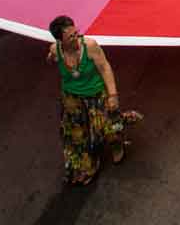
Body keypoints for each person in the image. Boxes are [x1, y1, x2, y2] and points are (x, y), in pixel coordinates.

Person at [46, 14, 127, 185]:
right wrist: (52, 59)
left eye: (76, 33)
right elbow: (51, 58)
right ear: (60, 41)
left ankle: (117, 144)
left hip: (96, 94)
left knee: (107, 128)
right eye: (71, 36)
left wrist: (112, 95)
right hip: (71, 98)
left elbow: (105, 68)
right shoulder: (55, 49)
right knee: (76, 137)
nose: (76, 38)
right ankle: (88, 166)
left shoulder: (90, 46)